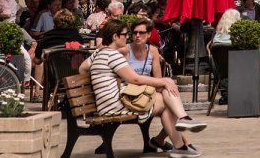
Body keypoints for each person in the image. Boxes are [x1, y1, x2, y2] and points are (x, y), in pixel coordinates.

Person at [79, 19, 206, 158]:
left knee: (167, 95)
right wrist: (163, 82)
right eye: (125, 34)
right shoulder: (113, 55)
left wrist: (98, 83)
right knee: (167, 101)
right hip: (114, 105)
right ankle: (180, 136)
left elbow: (82, 68)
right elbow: (134, 79)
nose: (128, 37)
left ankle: (179, 140)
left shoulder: (99, 53)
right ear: (115, 36)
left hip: (107, 102)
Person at [212, 8, 260, 97]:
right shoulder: (238, 37)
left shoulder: (216, 37)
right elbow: (253, 52)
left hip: (222, 73)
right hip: (244, 72)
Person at [125, 18, 171, 152]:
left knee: (170, 94)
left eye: (141, 33)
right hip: (131, 95)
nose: (137, 36)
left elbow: (158, 79)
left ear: (149, 34)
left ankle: (172, 141)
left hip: (147, 92)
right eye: (135, 33)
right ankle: (165, 141)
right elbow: (134, 80)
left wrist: (166, 88)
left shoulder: (153, 51)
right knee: (171, 108)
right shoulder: (125, 50)